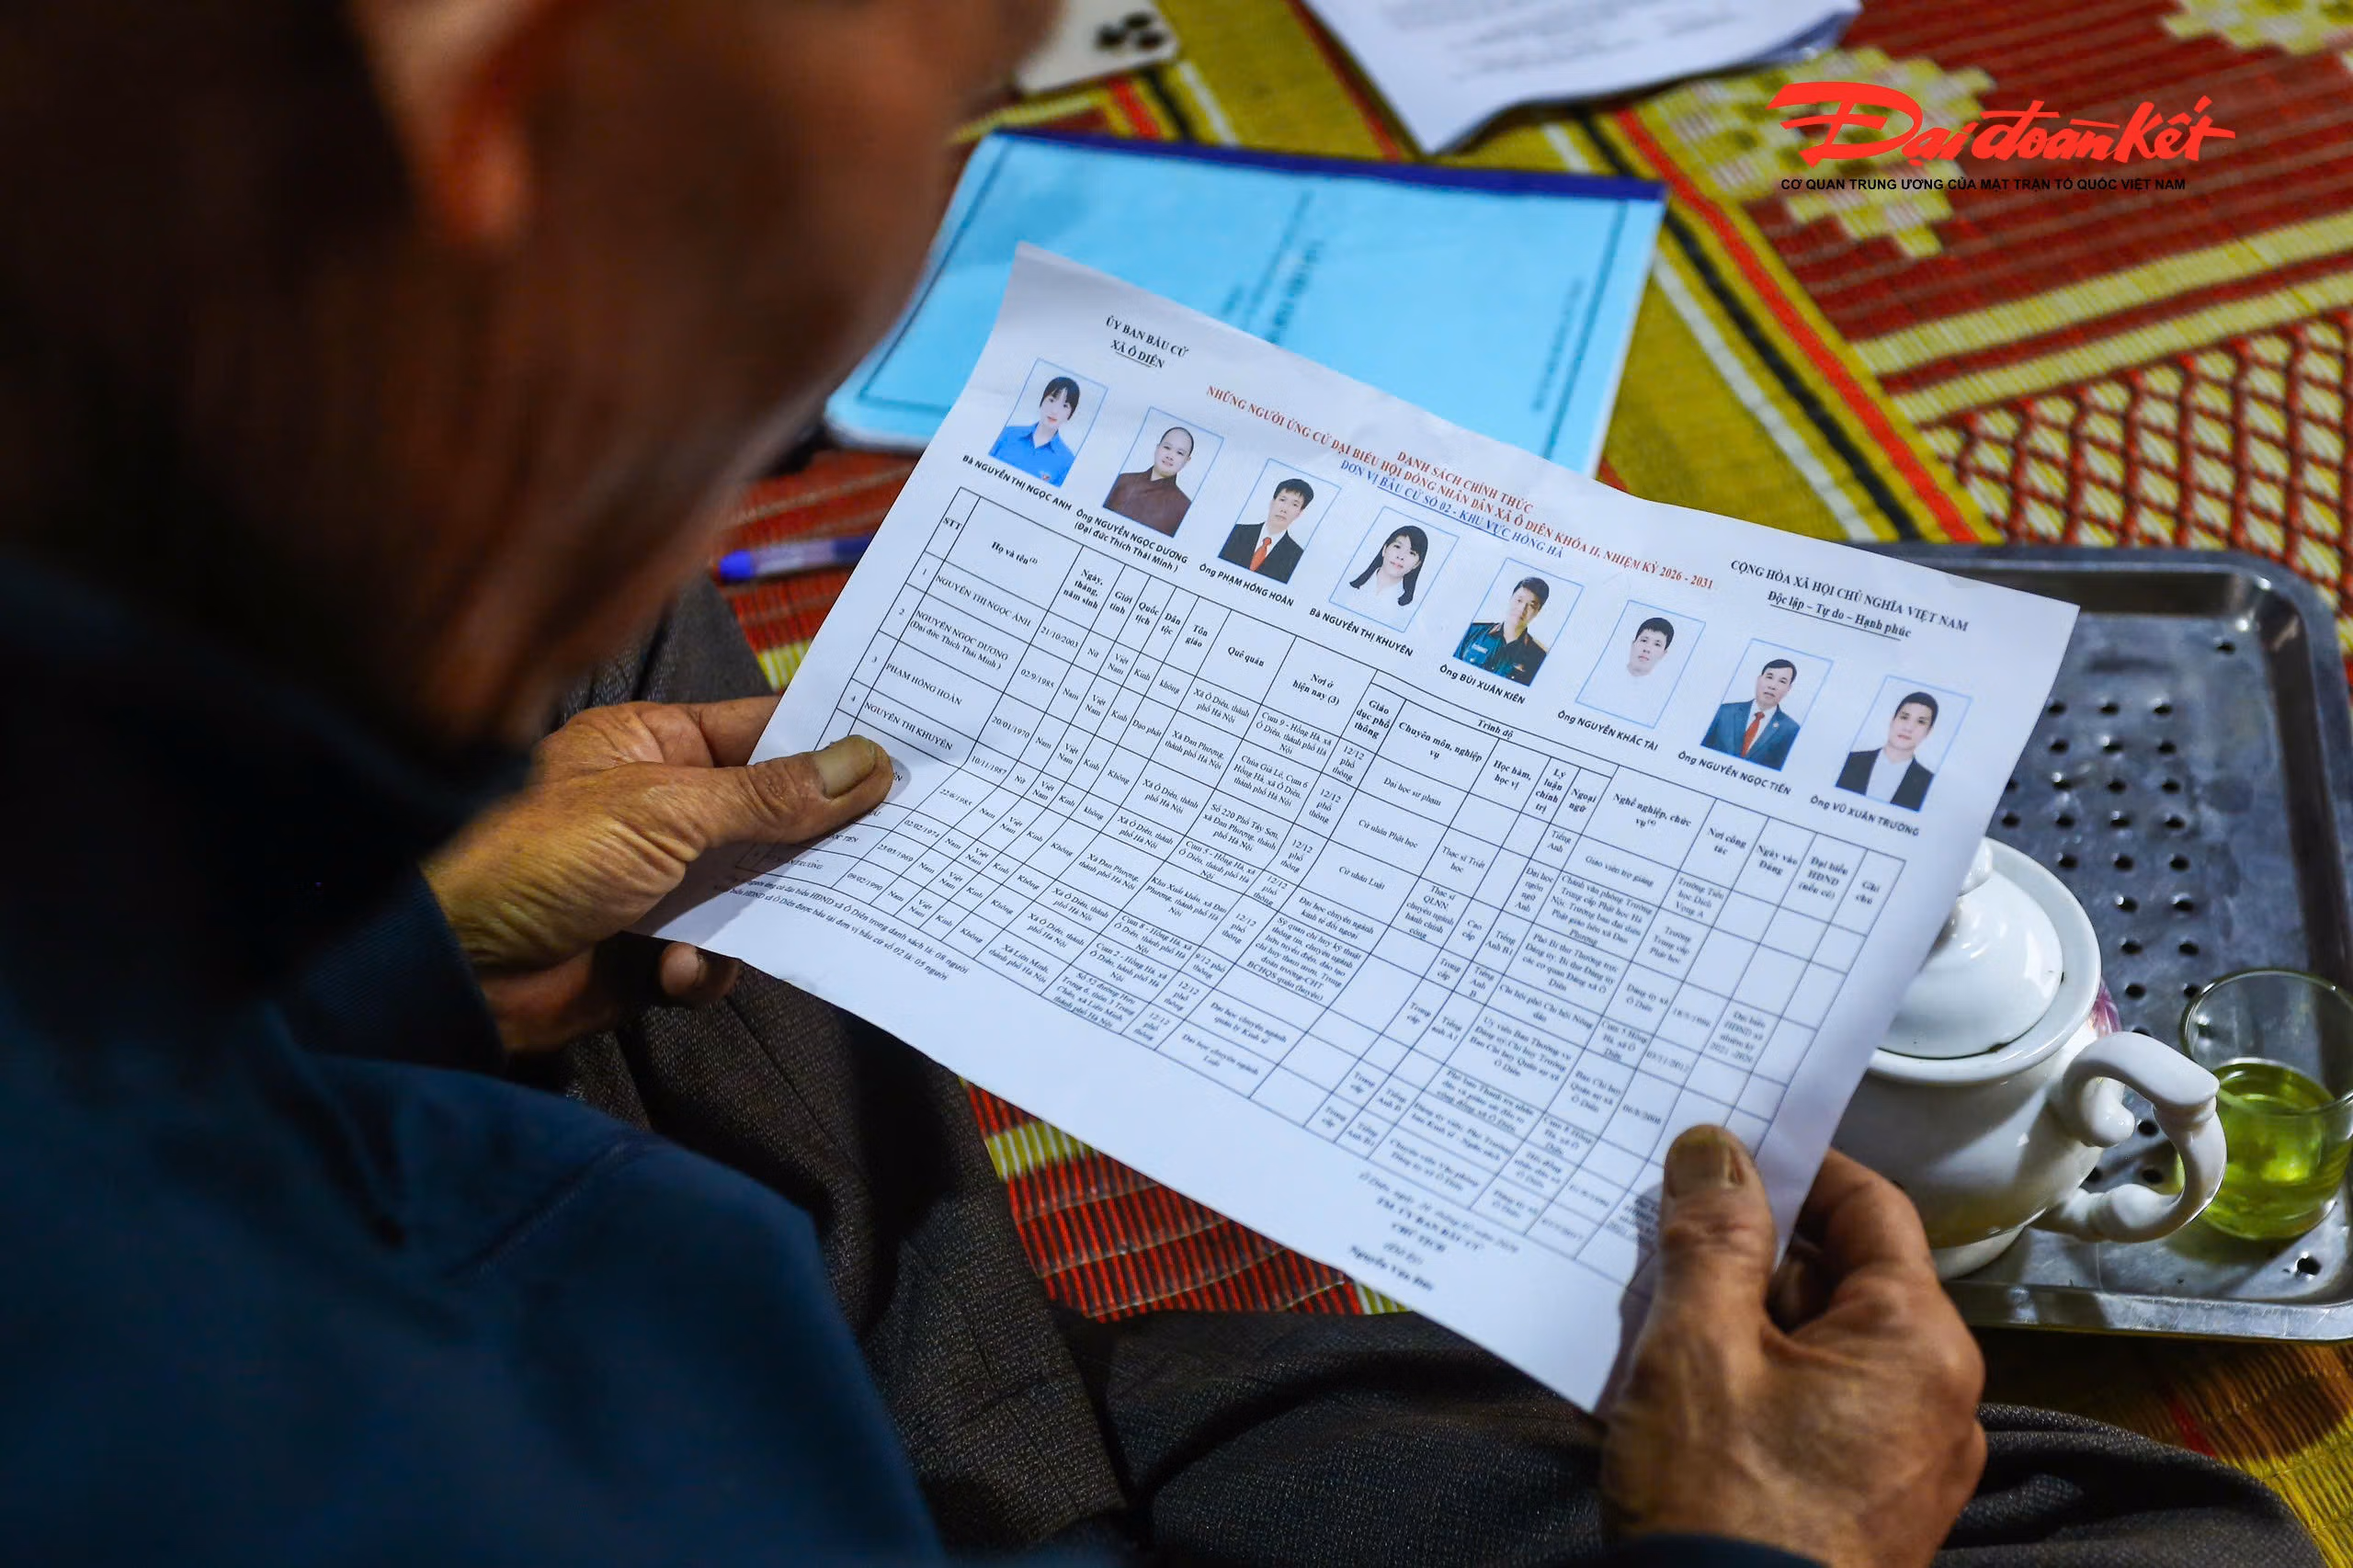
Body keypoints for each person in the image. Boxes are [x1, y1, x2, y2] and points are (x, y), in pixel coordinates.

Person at [0, 4, 2320, 1566]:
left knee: (623, 652)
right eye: (951, 112)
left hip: (532, 1205)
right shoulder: (352, 1445)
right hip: (746, 1435)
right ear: (507, 110)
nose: (916, 248)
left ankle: (1031, 1387)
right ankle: (1068, 1435)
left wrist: (396, 957)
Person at [1838, 691, 1941, 810]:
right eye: (1904, 717)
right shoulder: (1850, 760)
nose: (1908, 728)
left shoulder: (1929, 782)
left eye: (1921, 722)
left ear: (1928, 731)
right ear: (1892, 720)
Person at [1702, 658, 1802, 769]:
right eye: (1769, 677)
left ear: (1788, 689)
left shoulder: (1791, 730)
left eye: (1782, 681)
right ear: (1759, 679)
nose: (1773, 686)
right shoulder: (1724, 712)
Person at [1454, 575, 1552, 685]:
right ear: (1510, 599)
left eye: (1531, 606)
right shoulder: (1473, 631)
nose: (1522, 609)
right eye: (1519, 600)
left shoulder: (1538, 656)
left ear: (1538, 611)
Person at [989, 375, 1083, 484]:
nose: (1055, 411)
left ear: (1070, 415)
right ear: (1041, 402)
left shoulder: (1067, 461)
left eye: (1065, 406)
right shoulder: (1007, 433)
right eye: (1052, 400)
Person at [1102, 425, 1196, 535]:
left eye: (1179, 453)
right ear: (1157, 448)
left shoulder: (1184, 507)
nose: (1170, 456)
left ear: (1187, 460)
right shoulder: (1122, 481)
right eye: (1167, 447)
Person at [1219, 476, 1313, 583]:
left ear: (1300, 513)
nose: (1284, 509)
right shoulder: (1237, 531)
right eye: (1282, 500)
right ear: (1272, 502)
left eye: (1294, 504)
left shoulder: (1297, 556)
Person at [1333, 523, 1429, 626]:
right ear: (1384, 549)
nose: (1401, 556)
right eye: (1397, 547)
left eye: (1411, 553)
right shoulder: (1345, 581)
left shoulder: (1410, 611)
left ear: (1417, 564)